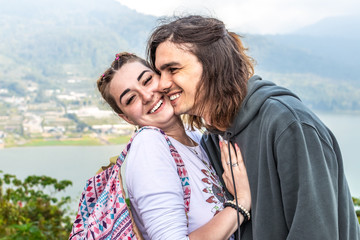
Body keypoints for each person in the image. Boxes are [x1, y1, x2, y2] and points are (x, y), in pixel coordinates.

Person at [147, 15, 360, 239]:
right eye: (160, 72)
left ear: (212, 65)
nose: (162, 83)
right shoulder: (213, 140)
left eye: (172, 69)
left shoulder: (288, 125)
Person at [96, 52, 251, 240]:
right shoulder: (149, 146)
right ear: (126, 118)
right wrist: (241, 202)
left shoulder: (196, 136)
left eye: (147, 80)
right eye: (130, 99)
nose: (146, 96)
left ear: (163, 78)